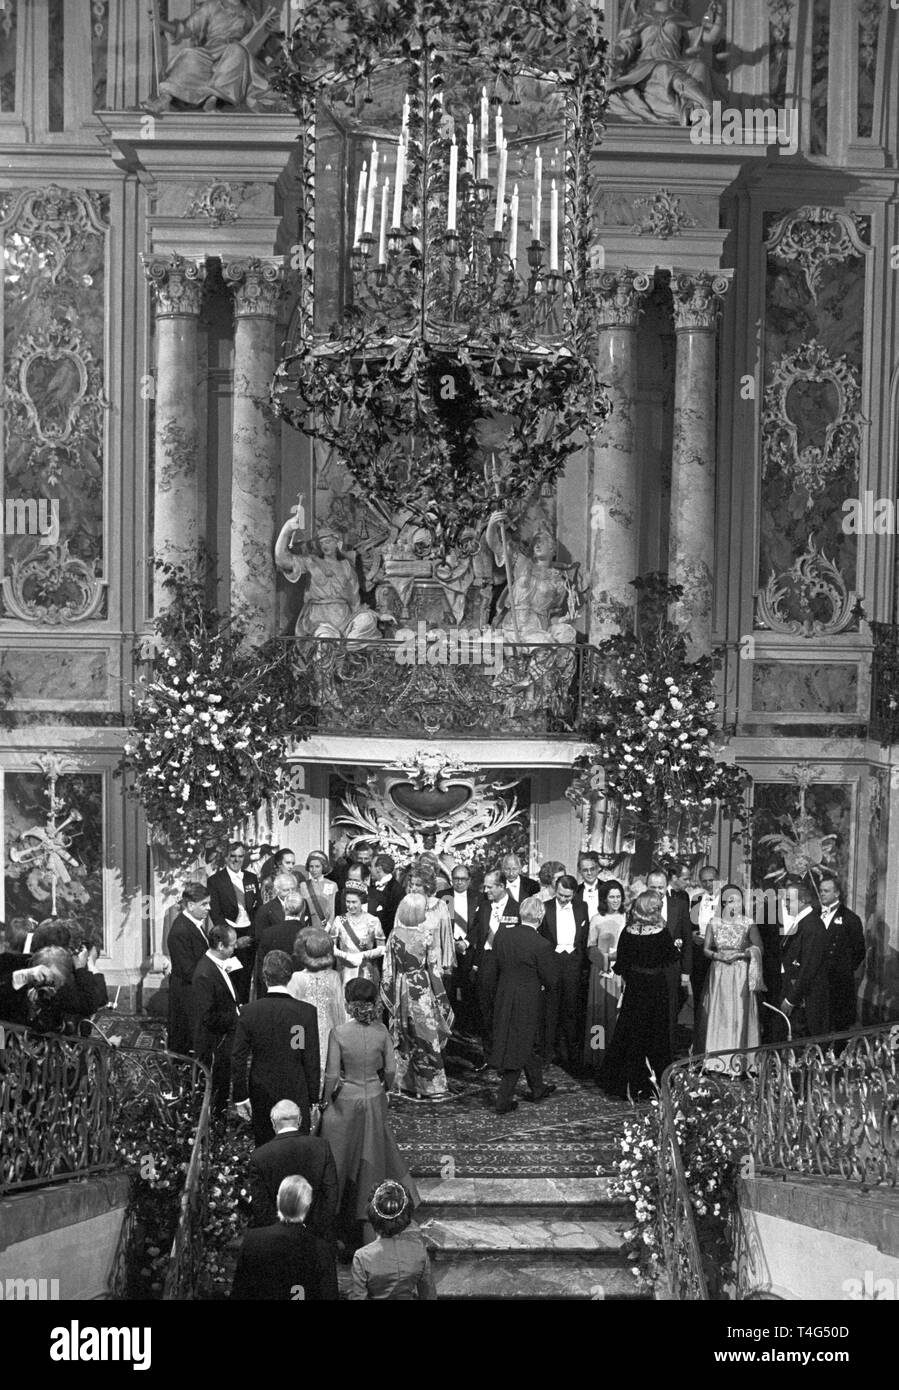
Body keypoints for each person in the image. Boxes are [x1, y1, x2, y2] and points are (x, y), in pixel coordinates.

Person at [321, 978, 419, 1239]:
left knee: (341, 1158)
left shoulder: (339, 1033)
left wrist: (324, 1100)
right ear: (374, 1003)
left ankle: (336, 1220)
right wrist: (382, 1088)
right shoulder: (382, 1031)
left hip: (347, 1100)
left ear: (348, 1003)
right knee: (373, 1158)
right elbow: (390, 1070)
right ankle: (374, 1219)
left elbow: (331, 1075)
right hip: (375, 1097)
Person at [232, 949, 320, 1146]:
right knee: (296, 1144)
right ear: (289, 977)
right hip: (296, 1088)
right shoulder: (305, 1013)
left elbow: (238, 1057)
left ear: (264, 977)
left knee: (265, 1143)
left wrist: (240, 1096)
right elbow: (311, 1059)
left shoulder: (249, 1012)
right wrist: (314, 1099)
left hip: (261, 1089)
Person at [598, 890, 680, 1101]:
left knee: (631, 1032)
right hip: (656, 988)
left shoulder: (628, 931)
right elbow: (671, 957)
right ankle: (656, 1083)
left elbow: (622, 964)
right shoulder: (661, 932)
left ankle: (626, 1082)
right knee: (657, 1035)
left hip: (635, 987)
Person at [146, 0, 280, 117]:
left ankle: (213, 99)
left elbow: (261, 44)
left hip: (236, 55)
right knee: (190, 56)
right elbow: (185, 29)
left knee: (237, 51)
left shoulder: (250, 12)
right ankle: (165, 98)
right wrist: (159, 22)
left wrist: (269, 31)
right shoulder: (212, 6)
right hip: (211, 51)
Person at [380, 894, 454, 1099]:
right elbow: (433, 969)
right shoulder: (426, 935)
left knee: (405, 1035)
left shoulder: (394, 934)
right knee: (426, 1034)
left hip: (400, 988)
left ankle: (404, 1082)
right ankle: (431, 1086)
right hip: (420, 987)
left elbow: (388, 967)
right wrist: (442, 998)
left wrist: (390, 991)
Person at [491, 895, 559, 1113]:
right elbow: (551, 979)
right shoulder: (542, 944)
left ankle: (537, 1087)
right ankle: (503, 1099)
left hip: (504, 993)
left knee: (523, 1041)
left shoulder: (502, 936)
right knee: (518, 1045)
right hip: (527, 999)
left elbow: (496, 966)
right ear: (540, 917)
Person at [231, 1175, 338, 1301]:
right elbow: (328, 1294)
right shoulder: (321, 1248)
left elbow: (239, 1291)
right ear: (307, 1206)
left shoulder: (253, 1240)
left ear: (278, 1201)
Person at [275, 513, 380, 639]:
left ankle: (346, 648)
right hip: (319, 619)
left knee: (368, 620)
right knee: (328, 638)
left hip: (345, 618)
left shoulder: (347, 565)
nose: (324, 546)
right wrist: (286, 530)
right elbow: (282, 560)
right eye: (321, 543)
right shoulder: (310, 562)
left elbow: (354, 600)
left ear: (337, 543)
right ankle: (337, 649)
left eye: (328, 542)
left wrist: (375, 615)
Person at [248, 1099, 338, 1241]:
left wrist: (279, 1232)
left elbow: (260, 1206)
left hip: (276, 1242)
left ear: (273, 1123)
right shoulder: (321, 1147)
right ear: (300, 1120)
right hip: (316, 1240)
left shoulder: (260, 1156)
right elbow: (330, 1194)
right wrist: (316, 1230)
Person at [700, 885, 763, 1071]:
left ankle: (738, 1061)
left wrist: (741, 955)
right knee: (719, 1011)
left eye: (736, 900)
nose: (732, 904)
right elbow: (706, 948)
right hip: (719, 971)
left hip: (740, 972)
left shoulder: (747, 923)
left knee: (739, 1012)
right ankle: (715, 1061)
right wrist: (718, 956)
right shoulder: (714, 922)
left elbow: (759, 948)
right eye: (728, 900)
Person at [349, 1182, 437, 1300]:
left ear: (372, 1215)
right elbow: (428, 1295)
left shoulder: (362, 1257)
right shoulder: (419, 1251)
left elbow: (358, 1297)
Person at [469, 869, 519, 1068]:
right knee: (485, 1010)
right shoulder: (484, 905)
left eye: (490, 887)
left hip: (508, 965)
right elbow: (476, 931)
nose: (486, 890)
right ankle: (489, 1056)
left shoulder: (517, 909)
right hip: (486, 962)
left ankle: (507, 1054)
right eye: (485, 886)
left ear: (501, 887)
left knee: (505, 1011)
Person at [540, 873, 589, 1074]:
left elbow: (584, 937)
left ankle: (570, 1055)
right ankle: (546, 1054)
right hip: (552, 962)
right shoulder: (546, 907)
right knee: (549, 1010)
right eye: (560, 895)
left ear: (574, 894)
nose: (563, 899)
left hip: (573, 963)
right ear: (555, 890)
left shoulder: (582, 907)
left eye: (567, 896)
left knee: (571, 1009)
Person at [192, 924, 241, 1119]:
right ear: (220, 946)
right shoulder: (205, 973)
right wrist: (236, 1018)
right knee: (216, 1084)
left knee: (223, 1079)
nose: (235, 948)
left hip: (224, 1036)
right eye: (232, 945)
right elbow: (207, 1017)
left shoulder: (215, 965)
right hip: (215, 1042)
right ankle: (214, 1123)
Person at [776, 879, 830, 1039]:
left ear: (803, 901)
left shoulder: (812, 926)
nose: (785, 904)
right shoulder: (802, 923)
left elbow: (808, 968)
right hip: (796, 994)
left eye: (788, 900)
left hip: (806, 1001)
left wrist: (791, 999)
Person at [207, 842, 260, 1005]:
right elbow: (215, 912)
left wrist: (251, 935)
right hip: (228, 934)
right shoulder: (216, 880)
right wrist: (232, 940)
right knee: (230, 978)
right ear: (226, 858)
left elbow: (258, 907)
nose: (236, 860)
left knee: (246, 977)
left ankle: (243, 1013)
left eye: (240, 856)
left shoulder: (251, 878)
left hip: (249, 933)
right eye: (233, 856)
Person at [583, 879, 627, 1075]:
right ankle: (597, 1055)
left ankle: (616, 1056)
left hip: (622, 972)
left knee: (617, 1015)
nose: (615, 901)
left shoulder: (628, 918)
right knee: (598, 1015)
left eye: (618, 897)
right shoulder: (596, 919)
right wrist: (603, 959)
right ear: (604, 899)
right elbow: (590, 946)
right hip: (600, 972)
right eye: (612, 897)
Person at [287, 929, 347, 1073]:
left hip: (302, 1032)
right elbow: (339, 1012)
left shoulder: (296, 978)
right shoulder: (334, 976)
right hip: (327, 1030)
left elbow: (291, 1015)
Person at [646, 868, 693, 1048]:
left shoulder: (678, 905)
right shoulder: (639, 905)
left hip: (671, 967)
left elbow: (687, 940)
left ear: (667, 886)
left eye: (660, 887)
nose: (657, 891)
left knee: (670, 1010)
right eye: (653, 887)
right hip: (647, 967)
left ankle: (668, 1051)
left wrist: (686, 972)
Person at [165, 883, 211, 1055]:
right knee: (185, 1042)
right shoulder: (181, 930)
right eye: (204, 904)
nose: (209, 908)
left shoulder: (193, 923)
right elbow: (188, 970)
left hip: (192, 991)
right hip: (186, 994)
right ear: (191, 906)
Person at [817, 875, 865, 1032]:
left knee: (839, 1027)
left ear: (837, 893)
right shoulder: (814, 915)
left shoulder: (851, 919)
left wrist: (842, 968)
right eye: (821, 890)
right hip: (817, 982)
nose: (822, 894)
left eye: (826, 891)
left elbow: (859, 952)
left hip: (839, 984)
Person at [438, 863, 480, 1034]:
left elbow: (480, 925)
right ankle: (449, 1025)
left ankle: (467, 1027)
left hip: (469, 950)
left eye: (463, 879)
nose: (459, 882)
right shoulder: (443, 896)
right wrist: (450, 942)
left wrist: (467, 942)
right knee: (449, 988)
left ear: (469, 880)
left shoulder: (479, 897)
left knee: (468, 988)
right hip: (448, 948)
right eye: (456, 879)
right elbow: (440, 922)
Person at [403, 865, 455, 979]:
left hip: (434, 964)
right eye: (412, 885)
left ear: (428, 886)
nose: (413, 888)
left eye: (418, 885)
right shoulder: (406, 905)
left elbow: (446, 937)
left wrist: (447, 965)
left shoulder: (440, 906)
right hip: (411, 963)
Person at [255, 888, 309, 997]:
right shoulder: (309, 935)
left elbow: (261, 968)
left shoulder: (268, 933)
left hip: (274, 993)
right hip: (302, 993)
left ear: (284, 908)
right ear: (303, 910)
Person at [332, 884, 386, 989]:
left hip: (366, 971)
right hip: (344, 971)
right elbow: (331, 947)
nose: (350, 906)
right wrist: (345, 956)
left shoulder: (373, 920)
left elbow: (382, 948)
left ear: (362, 901)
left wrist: (363, 955)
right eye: (348, 902)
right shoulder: (339, 920)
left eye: (354, 902)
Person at [689, 864, 720, 1013]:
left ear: (718, 880)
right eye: (704, 881)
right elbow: (691, 923)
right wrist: (692, 934)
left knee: (717, 992)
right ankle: (699, 1026)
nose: (708, 884)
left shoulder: (728, 898)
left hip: (718, 951)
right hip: (699, 951)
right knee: (699, 991)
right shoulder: (696, 898)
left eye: (711, 880)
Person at [300, 851, 338, 929]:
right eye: (311, 866)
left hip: (325, 925)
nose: (314, 870)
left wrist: (328, 927)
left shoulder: (332, 885)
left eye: (317, 866)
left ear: (323, 867)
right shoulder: (303, 885)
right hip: (309, 925)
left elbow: (332, 910)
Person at [368, 854, 403, 937]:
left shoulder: (396, 890)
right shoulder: (373, 887)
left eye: (371, 866)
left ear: (379, 869)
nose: (370, 869)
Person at [575, 851, 603, 920]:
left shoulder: (607, 888)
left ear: (598, 868)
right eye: (585, 870)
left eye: (592, 869)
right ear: (580, 871)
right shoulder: (575, 891)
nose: (589, 873)